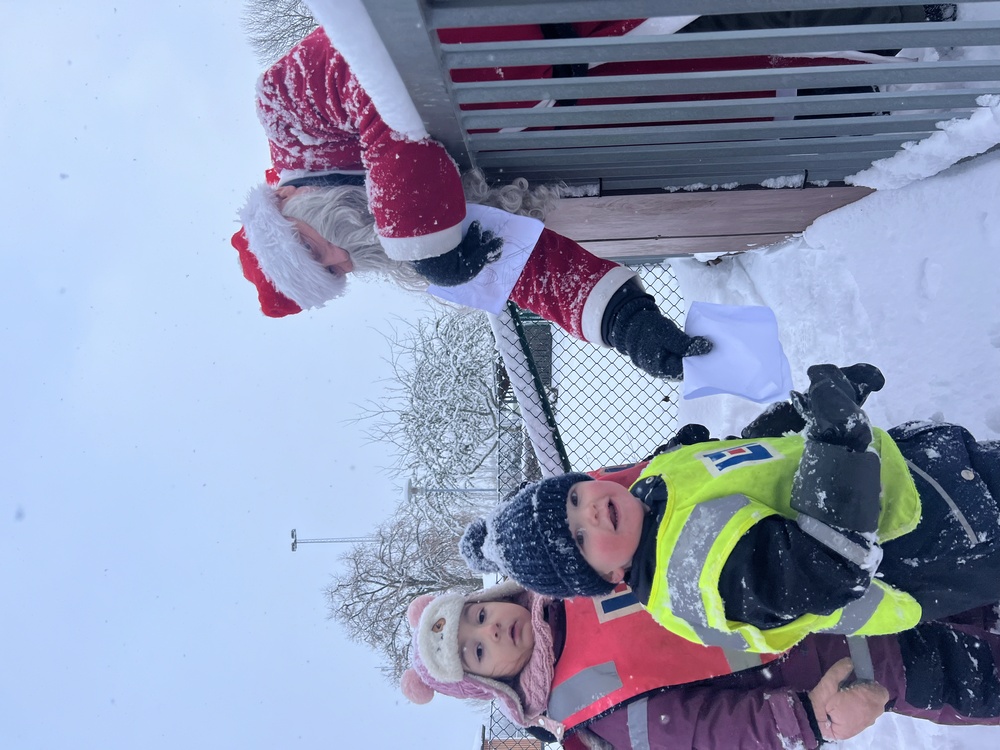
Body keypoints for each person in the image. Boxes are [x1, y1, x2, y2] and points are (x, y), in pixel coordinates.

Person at [401, 455, 1000, 748]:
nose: (491, 631)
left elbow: (649, 489)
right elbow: (700, 733)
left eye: (477, 616)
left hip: (846, 561)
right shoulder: (584, 711)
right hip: (855, 662)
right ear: (488, 685)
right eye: (475, 651)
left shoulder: (568, 559)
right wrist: (807, 721)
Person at [230, 26, 710, 380]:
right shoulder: (407, 233)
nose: (340, 255)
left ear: (283, 197)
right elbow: (517, 265)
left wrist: (419, 236)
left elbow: (370, 66)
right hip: (649, 83)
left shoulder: (286, 111)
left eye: (311, 249)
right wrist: (627, 324)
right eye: (333, 272)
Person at [460, 363, 1000, 655]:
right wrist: (837, 446)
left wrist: (804, 416)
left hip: (926, 475)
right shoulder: (687, 580)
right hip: (932, 544)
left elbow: (744, 455)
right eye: (579, 538)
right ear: (610, 577)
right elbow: (825, 567)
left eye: (575, 498)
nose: (592, 512)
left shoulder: (654, 482)